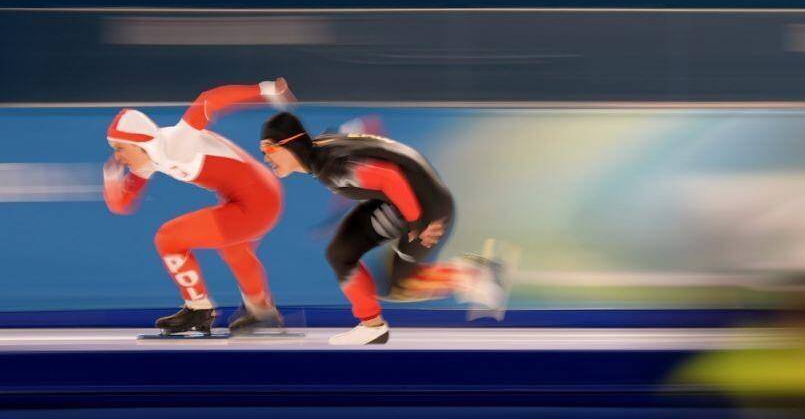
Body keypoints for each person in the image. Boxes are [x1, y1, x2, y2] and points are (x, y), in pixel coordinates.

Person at [259, 111, 504, 345]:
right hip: (399, 200)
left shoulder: (331, 167)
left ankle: (474, 275)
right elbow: (367, 136)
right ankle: (372, 327)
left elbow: (389, 177)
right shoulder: (322, 146)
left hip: (425, 208)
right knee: (341, 254)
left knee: (400, 284)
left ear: (291, 144)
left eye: (269, 148)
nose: (266, 158)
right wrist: (336, 216)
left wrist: (417, 222)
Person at [103, 79, 294, 335]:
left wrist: (263, 90)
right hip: (256, 196)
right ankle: (263, 312)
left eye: (119, 148)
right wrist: (111, 179)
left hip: (258, 201)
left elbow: (208, 100)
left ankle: (198, 309)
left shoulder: (175, 142)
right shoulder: (149, 159)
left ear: (140, 144)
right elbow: (122, 205)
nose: (117, 156)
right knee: (235, 250)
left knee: (169, 237)